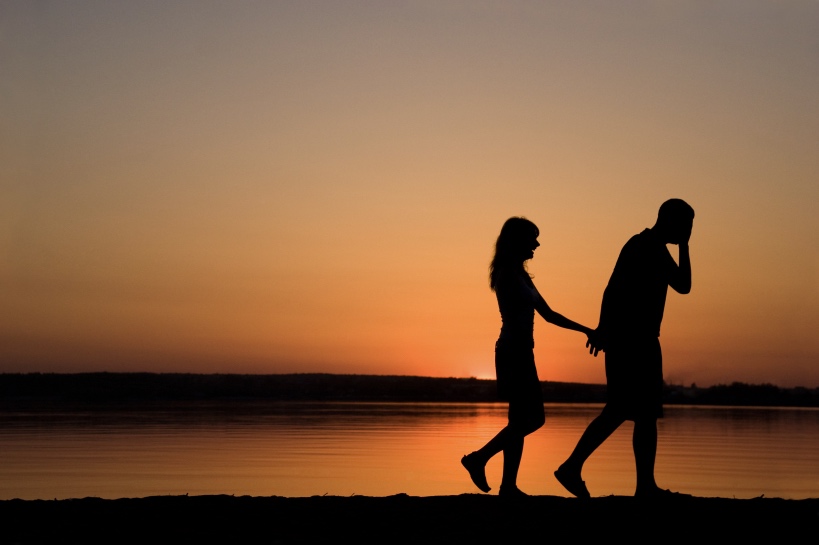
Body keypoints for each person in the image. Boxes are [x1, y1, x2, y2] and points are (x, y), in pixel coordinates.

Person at [555, 198, 694, 499]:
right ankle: (574, 468)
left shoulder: (657, 249)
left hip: (641, 340)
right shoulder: (641, 245)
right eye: (686, 226)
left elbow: (683, 285)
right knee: (622, 410)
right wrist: (604, 329)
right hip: (630, 341)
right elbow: (613, 289)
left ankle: (643, 485)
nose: (688, 232)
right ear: (669, 220)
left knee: (642, 414)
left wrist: (683, 246)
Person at [462, 217, 596, 497]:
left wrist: (587, 330)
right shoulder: (507, 274)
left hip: (521, 350)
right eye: (532, 238)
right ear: (517, 241)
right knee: (533, 420)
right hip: (514, 351)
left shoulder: (520, 275)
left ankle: (508, 486)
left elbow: (548, 314)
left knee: (518, 422)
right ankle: (479, 458)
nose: (537, 243)